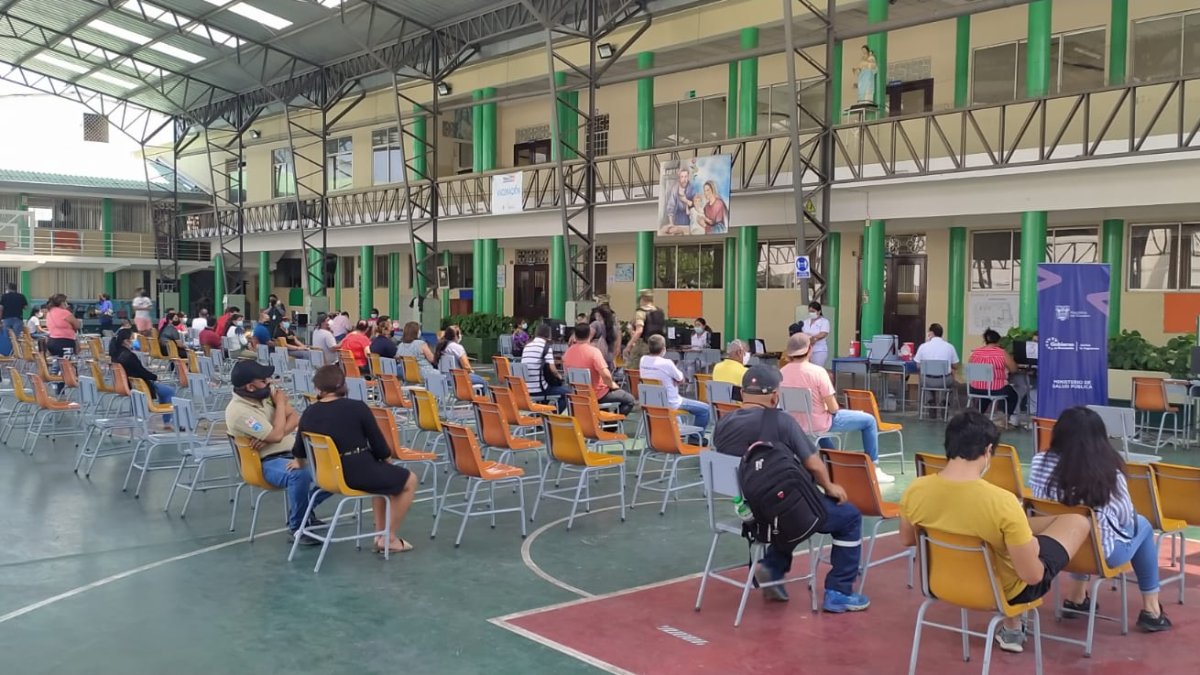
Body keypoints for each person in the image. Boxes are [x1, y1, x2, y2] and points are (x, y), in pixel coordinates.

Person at [899, 410, 1092, 654]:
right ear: (988, 450)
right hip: (1002, 592)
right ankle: (1025, 612)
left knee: (1011, 531)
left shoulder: (915, 490)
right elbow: (1032, 576)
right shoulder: (1001, 501)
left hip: (942, 584)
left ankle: (1013, 626)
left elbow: (907, 538)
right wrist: (1033, 547)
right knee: (1077, 522)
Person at [713, 365, 870, 612]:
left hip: (748, 511)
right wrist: (829, 486)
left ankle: (771, 568)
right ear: (775, 396)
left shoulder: (723, 424)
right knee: (847, 516)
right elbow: (813, 463)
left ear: (742, 393)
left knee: (789, 509)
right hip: (777, 511)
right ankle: (839, 591)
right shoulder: (781, 421)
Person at [1028, 406, 1172, 633]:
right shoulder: (1108, 473)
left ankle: (1076, 596)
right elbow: (1126, 516)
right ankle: (1152, 610)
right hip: (1099, 554)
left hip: (1054, 548)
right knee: (1142, 525)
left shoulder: (1039, 462)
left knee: (1083, 523)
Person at [295, 366, 418, 553]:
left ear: (318, 389)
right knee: (409, 480)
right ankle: (389, 538)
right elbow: (379, 445)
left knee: (382, 479)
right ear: (344, 385)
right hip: (356, 472)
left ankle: (380, 535)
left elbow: (299, 450)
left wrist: (298, 463)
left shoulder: (309, 412)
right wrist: (387, 461)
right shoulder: (357, 408)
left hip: (325, 476)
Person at [224, 360, 329, 544]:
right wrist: (280, 405)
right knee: (299, 474)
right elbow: (277, 434)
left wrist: (271, 436)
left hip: (292, 453)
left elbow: (294, 418)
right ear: (250, 387)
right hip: (267, 462)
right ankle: (298, 527)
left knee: (337, 467)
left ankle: (305, 509)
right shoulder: (240, 412)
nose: (270, 382)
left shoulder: (265, 394)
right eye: (264, 380)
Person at [781, 333, 894, 483]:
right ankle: (874, 468)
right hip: (819, 423)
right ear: (810, 350)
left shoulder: (781, 373)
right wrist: (827, 407)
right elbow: (833, 408)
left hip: (796, 425)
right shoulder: (818, 372)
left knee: (822, 430)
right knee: (869, 421)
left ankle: (833, 464)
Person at [639, 334, 709, 429]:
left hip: (650, 402)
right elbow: (681, 379)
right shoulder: (666, 363)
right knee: (705, 409)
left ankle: (678, 430)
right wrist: (674, 380)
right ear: (663, 349)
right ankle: (695, 437)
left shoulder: (643, 360)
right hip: (670, 402)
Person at [563, 322, 635, 415]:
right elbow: (605, 375)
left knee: (606, 406)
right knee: (630, 400)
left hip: (577, 394)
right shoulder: (594, 352)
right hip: (597, 394)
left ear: (575, 335)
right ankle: (612, 421)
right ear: (589, 334)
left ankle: (605, 419)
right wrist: (612, 385)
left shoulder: (567, 353)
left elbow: (566, 374)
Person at [109, 327, 175, 425]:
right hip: (140, 385)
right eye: (132, 338)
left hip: (130, 384)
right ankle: (167, 420)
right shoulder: (129, 356)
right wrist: (155, 377)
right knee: (169, 391)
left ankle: (167, 419)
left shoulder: (115, 354)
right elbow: (142, 372)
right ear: (126, 341)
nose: (134, 341)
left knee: (164, 391)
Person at [967, 328, 1020, 425]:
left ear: (985, 340)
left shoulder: (975, 353)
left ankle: (975, 417)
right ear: (999, 341)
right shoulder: (1001, 353)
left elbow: (970, 367)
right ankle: (1004, 419)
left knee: (985, 394)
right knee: (1012, 395)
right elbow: (1013, 369)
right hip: (995, 390)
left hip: (974, 389)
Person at [521, 322, 568, 407]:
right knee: (568, 393)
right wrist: (560, 377)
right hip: (539, 389)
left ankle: (544, 410)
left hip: (526, 389)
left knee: (549, 385)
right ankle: (553, 413)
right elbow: (553, 369)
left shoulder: (527, 346)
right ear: (548, 335)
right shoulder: (545, 347)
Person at [914, 322, 960, 394]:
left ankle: (929, 398)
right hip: (944, 381)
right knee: (951, 376)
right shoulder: (950, 347)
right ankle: (945, 398)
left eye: (929, 332)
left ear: (931, 333)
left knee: (924, 375)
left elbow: (918, 366)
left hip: (927, 381)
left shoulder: (923, 346)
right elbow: (956, 366)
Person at [436, 325, 486, 390]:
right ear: (456, 336)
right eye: (460, 334)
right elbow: (466, 367)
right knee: (483, 381)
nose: (460, 335)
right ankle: (481, 397)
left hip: (446, 379)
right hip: (459, 379)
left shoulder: (441, 347)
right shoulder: (458, 347)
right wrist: (471, 371)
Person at [624, 290, 665, 365]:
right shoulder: (659, 311)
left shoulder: (641, 312)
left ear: (642, 299)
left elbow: (639, 331)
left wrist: (629, 345)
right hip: (658, 345)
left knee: (634, 365)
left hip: (644, 345)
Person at [44, 294, 80, 360]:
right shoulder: (65, 313)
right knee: (67, 364)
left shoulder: (49, 313)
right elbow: (77, 325)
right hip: (65, 341)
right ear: (62, 303)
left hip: (52, 341)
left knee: (56, 363)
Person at [799, 302, 832, 367]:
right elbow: (802, 333)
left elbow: (823, 334)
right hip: (806, 350)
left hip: (819, 350)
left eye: (813, 311)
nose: (811, 313)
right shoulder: (805, 322)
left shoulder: (824, 321)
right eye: (810, 311)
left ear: (819, 311)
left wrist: (812, 338)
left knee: (817, 369)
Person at [589, 304, 620, 370]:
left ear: (599, 315)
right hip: (609, 360)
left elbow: (587, 340)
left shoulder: (596, 324)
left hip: (596, 359)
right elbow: (617, 348)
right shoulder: (615, 328)